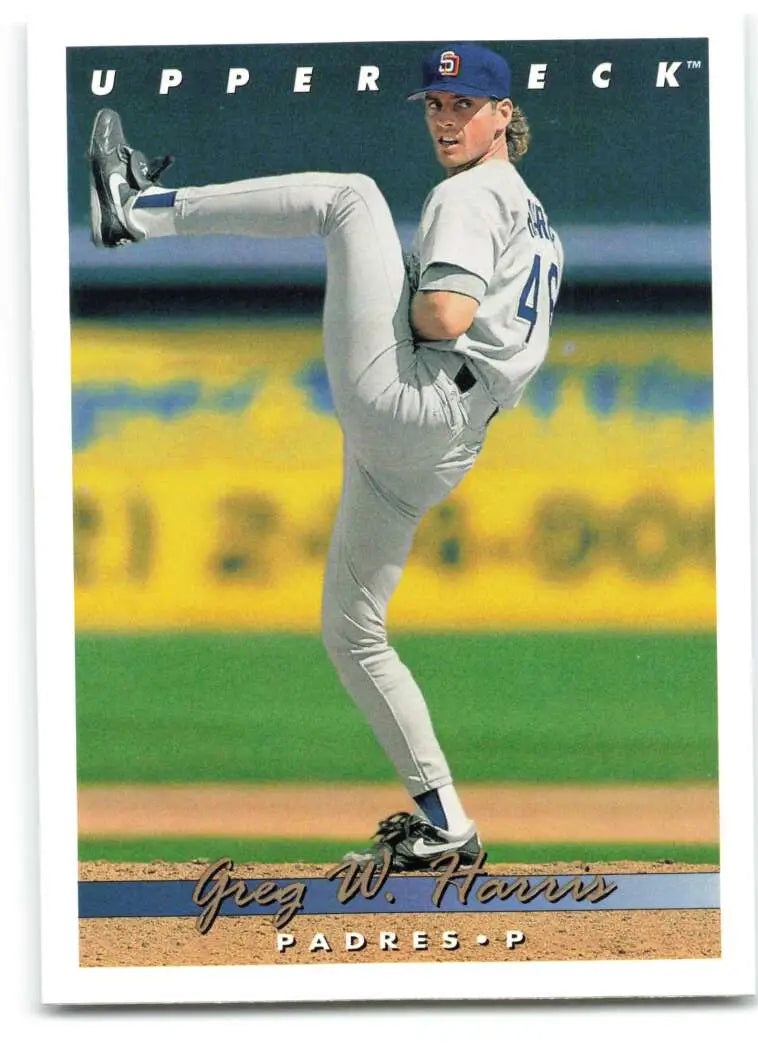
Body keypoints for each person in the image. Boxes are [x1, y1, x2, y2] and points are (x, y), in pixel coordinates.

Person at [88, 42, 564, 871]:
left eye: (463, 106)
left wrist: (402, 302)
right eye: (435, 105)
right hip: (447, 441)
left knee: (352, 198)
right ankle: (447, 820)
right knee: (352, 630)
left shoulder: (473, 195)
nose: (446, 119)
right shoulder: (529, 208)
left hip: (417, 398)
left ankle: (136, 209)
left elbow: (446, 314)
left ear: (502, 117)